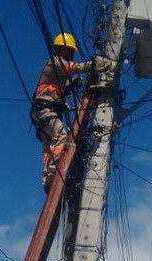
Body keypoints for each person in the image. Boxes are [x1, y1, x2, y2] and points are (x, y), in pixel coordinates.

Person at [31, 33, 115, 191]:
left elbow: (60, 86)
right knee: (61, 135)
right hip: (44, 110)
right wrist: (95, 64)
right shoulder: (56, 62)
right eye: (70, 51)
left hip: (43, 112)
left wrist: (72, 85)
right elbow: (74, 68)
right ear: (62, 49)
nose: (72, 55)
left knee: (48, 149)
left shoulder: (57, 70)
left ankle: (48, 180)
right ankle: (56, 171)